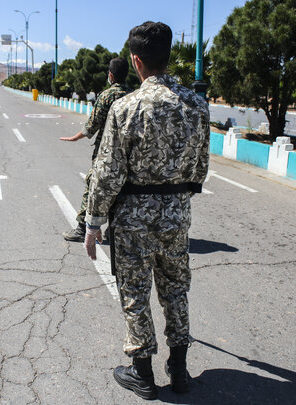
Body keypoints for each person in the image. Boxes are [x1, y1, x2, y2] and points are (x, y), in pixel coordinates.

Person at [84, 21, 210, 400]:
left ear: (136, 61)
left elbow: (107, 172)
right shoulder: (197, 104)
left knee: (135, 293)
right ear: (167, 58)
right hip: (175, 214)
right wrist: (173, 198)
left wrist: (93, 223)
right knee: (176, 290)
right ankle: (180, 368)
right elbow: (200, 167)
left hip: (132, 220)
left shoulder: (125, 107)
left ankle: (142, 373)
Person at [60, 57, 131, 242]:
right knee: (123, 189)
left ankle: (82, 228)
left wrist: (75, 137)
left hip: (106, 153)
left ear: (110, 75)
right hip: (129, 152)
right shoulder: (132, 95)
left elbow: (92, 125)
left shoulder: (107, 95)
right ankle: (114, 229)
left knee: (92, 186)